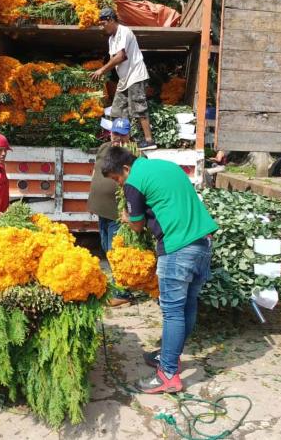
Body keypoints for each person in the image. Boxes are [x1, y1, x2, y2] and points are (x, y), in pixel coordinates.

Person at [102, 146, 218, 394]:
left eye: (117, 178)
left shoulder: (133, 181)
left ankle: (167, 374)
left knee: (173, 312)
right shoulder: (166, 166)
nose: (120, 184)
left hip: (178, 248)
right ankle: (168, 356)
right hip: (203, 244)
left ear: (125, 168)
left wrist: (126, 217)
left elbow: (136, 226)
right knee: (188, 306)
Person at [91, 8, 156, 150]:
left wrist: (102, 70)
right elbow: (113, 59)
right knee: (117, 111)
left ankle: (149, 141)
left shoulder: (124, 32)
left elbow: (121, 56)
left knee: (138, 108)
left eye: (103, 23)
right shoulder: (111, 39)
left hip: (135, 75)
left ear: (112, 20)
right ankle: (123, 141)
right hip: (124, 79)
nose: (102, 27)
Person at [87, 118, 132, 307]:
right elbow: (95, 171)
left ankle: (123, 293)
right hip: (101, 210)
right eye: (115, 133)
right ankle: (116, 286)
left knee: (117, 252)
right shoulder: (104, 148)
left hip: (117, 214)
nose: (118, 138)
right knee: (107, 248)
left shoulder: (132, 154)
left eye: (122, 134)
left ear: (129, 135)